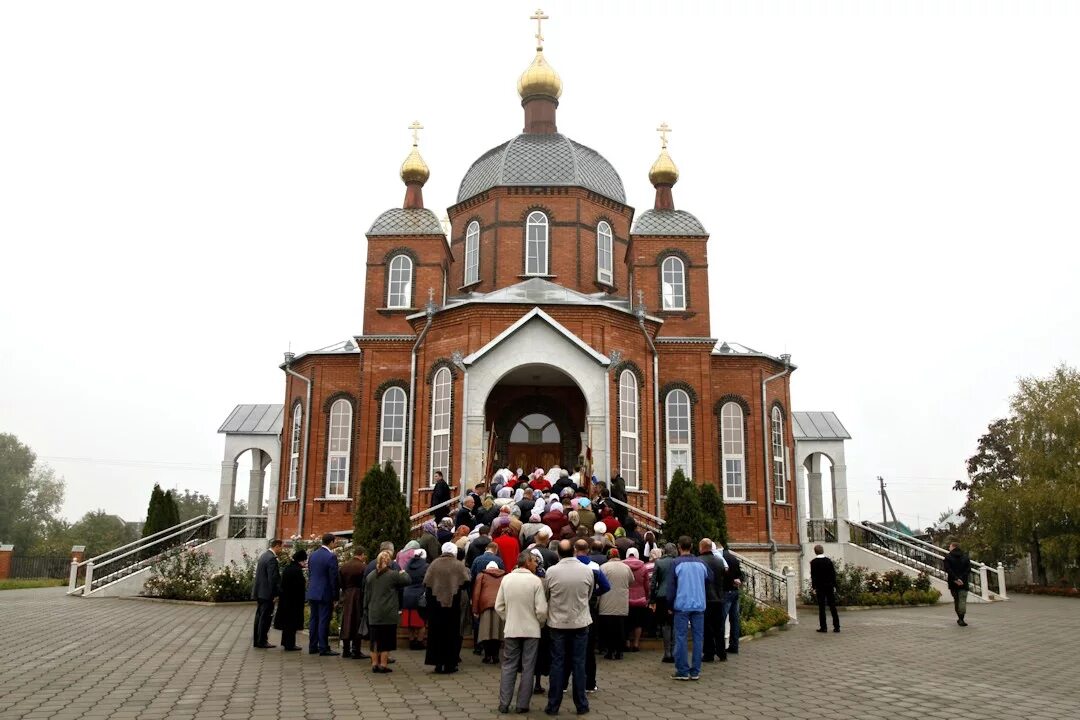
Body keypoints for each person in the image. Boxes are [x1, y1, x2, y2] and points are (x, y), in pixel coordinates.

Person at [544, 540, 596, 716]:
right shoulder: (587, 570)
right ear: (574, 551)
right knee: (579, 664)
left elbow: (546, 595)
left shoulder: (551, 572)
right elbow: (589, 595)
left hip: (558, 623)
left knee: (558, 663)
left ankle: (553, 705)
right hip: (580, 622)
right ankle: (581, 704)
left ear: (558, 552)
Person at [495, 551, 548, 714]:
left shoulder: (507, 579)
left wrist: (508, 618)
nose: (536, 565)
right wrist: (539, 623)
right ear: (528, 562)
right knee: (528, 667)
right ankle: (522, 704)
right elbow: (541, 610)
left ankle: (504, 703)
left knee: (508, 665)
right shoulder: (535, 582)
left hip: (512, 628)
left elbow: (499, 606)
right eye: (534, 562)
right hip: (531, 630)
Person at [423, 542, 471, 674]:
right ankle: (450, 663)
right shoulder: (458, 565)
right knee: (452, 633)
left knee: (436, 633)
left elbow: (427, 582)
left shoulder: (434, 564)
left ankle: (438, 663)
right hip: (453, 604)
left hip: (436, 604)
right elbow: (466, 582)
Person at [669, 536, 711, 681]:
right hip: (699, 603)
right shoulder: (701, 563)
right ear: (692, 546)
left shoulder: (676, 563)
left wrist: (670, 604)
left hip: (682, 604)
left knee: (681, 637)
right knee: (698, 638)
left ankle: (682, 670)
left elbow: (672, 587)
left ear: (679, 547)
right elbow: (709, 579)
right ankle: (695, 671)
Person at [363, 550, 411, 673]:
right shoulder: (393, 575)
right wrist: (403, 571)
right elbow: (407, 580)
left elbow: (366, 595)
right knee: (386, 640)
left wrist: (366, 608)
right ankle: (383, 664)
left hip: (373, 612)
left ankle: (374, 664)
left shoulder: (371, 576)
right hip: (388, 613)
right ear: (389, 562)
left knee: (374, 640)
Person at [306, 533, 340, 656]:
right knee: (324, 620)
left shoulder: (313, 555)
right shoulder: (331, 557)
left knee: (314, 619)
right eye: (335, 542)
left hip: (313, 592)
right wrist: (335, 596)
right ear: (330, 542)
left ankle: (312, 645)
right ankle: (323, 647)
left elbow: (310, 573)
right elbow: (333, 578)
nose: (336, 544)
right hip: (325, 593)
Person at [599, 548, 633, 660]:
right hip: (621, 602)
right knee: (620, 628)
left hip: (607, 601)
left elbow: (599, 583)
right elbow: (631, 581)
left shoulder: (603, 567)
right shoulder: (626, 567)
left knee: (608, 628)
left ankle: (609, 651)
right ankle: (619, 652)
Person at [698, 539, 729, 661]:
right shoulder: (719, 561)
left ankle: (709, 653)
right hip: (719, 598)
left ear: (702, 547)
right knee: (719, 627)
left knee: (707, 627)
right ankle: (722, 653)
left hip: (706, 598)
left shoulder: (699, 561)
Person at [338, 545, 370, 660]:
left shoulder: (344, 566)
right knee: (357, 621)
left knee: (346, 621)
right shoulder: (363, 567)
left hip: (346, 595)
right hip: (358, 596)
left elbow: (340, 582)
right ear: (362, 555)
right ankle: (356, 650)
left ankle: (346, 650)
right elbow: (366, 583)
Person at [473, 560, 507, 664]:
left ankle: (487, 656)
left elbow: (476, 593)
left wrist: (475, 609)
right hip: (499, 606)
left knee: (486, 632)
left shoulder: (482, 575)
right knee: (497, 632)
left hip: (485, 606)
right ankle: (496, 656)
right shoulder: (504, 576)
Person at [273, 548, 307, 651]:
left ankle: (285, 642)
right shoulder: (297, 570)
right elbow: (299, 586)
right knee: (291, 624)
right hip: (294, 601)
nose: (305, 563)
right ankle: (290, 644)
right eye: (304, 561)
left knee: (287, 624)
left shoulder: (288, 568)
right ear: (300, 560)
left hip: (286, 600)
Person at [649, 543, 678, 663]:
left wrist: (652, 599)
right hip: (676, 595)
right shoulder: (678, 562)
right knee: (676, 624)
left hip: (662, 596)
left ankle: (667, 653)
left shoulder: (659, 563)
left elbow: (653, 583)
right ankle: (675, 651)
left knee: (665, 625)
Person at [252, 539, 282, 649]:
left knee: (259, 616)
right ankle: (262, 640)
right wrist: (275, 594)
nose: (281, 550)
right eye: (281, 547)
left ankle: (257, 640)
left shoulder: (264, 555)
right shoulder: (272, 559)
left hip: (260, 592)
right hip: (267, 594)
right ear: (277, 546)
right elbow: (272, 578)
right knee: (265, 617)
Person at [401, 548, 430, 649]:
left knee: (409, 622)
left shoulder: (407, 565)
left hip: (407, 595)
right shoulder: (426, 566)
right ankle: (419, 642)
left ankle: (412, 641)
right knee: (421, 622)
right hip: (419, 596)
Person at [809, 544, 840, 633]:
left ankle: (824, 627)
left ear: (815, 551)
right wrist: (834, 585)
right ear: (823, 551)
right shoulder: (828, 561)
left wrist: (814, 587)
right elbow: (833, 574)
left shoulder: (814, 562)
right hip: (829, 586)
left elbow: (813, 576)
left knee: (821, 607)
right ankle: (837, 627)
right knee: (832, 606)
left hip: (820, 587)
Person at [623, 547, 650, 652]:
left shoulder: (623, 566)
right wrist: (647, 597)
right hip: (640, 598)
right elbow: (647, 585)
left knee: (626, 622)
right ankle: (636, 644)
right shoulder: (643, 567)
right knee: (638, 622)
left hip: (626, 598)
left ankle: (627, 642)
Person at [720, 544, 743, 654]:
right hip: (735, 592)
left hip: (726, 592)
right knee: (734, 620)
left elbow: (724, 574)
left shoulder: (721, 558)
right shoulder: (734, 558)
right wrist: (737, 580)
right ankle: (734, 645)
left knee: (721, 619)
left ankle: (721, 647)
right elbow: (740, 574)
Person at [943, 542, 972, 626]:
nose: (949, 548)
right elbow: (968, 569)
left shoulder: (948, 557)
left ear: (953, 547)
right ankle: (962, 618)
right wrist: (961, 578)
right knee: (962, 600)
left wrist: (956, 579)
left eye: (950, 546)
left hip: (953, 582)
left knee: (957, 600)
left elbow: (948, 569)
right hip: (964, 582)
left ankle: (960, 618)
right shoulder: (965, 556)